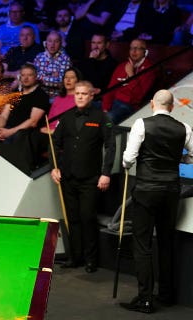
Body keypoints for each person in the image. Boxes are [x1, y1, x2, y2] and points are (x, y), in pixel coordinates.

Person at [119, 89, 193, 314]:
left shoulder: (142, 124)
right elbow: (192, 156)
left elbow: (128, 160)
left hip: (146, 190)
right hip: (171, 191)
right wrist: (179, 157)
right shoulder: (184, 128)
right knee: (166, 241)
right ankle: (167, 295)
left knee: (143, 245)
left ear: (152, 104)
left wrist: (130, 162)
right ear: (172, 106)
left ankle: (145, 299)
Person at [50, 80, 115, 273]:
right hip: (68, 178)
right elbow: (54, 143)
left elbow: (110, 146)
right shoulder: (67, 117)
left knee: (87, 217)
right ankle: (74, 257)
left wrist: (106, 173)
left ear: (91, 95)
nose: (79, 96)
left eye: (84, 94)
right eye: (77, 93)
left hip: (90, 178)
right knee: (73, 218)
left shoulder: (102, 117)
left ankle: (91, 260)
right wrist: (54, 167)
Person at [0, 63, 50, 173]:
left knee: (19, 136)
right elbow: (3, 115)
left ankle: (12, 171)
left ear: (35, 77)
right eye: (23, 75)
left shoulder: (40, 95)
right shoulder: (15, 94)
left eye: (29, 75)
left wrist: (9, 132)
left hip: (26, 132)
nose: (26, 78)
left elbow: (33, 121)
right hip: (8, 129)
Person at [102, 38, 156, 124]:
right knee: (86, 108)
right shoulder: (122, 66)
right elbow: (110, 89)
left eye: (138, 48)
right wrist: (105, 108)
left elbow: (138, 96)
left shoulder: (149, 70)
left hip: (128, 106)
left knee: (108, 119)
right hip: (113, 102)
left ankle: (104, 136)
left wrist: (131, 74)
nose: (134, 51)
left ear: (145, 52)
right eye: (131, 48)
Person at [42, 67, 83, 134]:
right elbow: (49, 120)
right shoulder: (58, 98)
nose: (68, 80)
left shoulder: (80, 99)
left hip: (64, 134)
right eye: (66, 77)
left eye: (72, 77)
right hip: (49, 132)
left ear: (78, 81)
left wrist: (53, 131)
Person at [33, 30, 72, 99]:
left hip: (56, 97)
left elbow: (61, 82)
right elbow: (33, 77)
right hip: (39, 95)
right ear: (45, 43)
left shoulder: (65, 59)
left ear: (60, 43)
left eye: (56, 41)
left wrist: (41, 77)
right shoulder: (39, 57)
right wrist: (52, 76)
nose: (52, 44)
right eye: (50, 41)